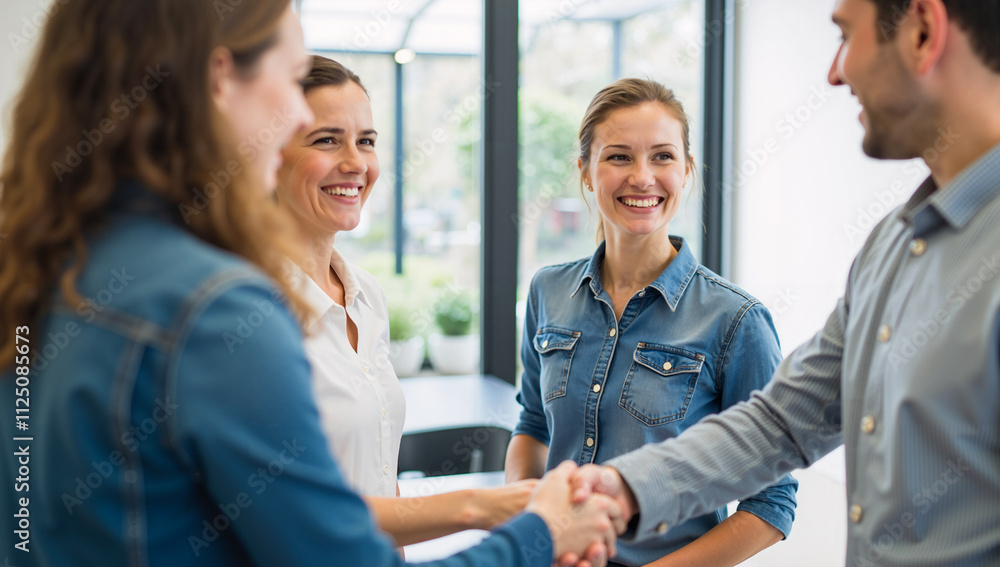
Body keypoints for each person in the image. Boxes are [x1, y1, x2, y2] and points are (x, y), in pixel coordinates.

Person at [0, 2, 620, 566]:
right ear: (219, 76)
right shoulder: (217, 310)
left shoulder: (48, 266)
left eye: (365, 139)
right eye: (287, 78)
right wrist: (539, 533)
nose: (295, 111)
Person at [569, 1, 1000, 565]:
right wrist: (620, 489)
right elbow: (783, 421)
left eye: (846, 36)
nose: (835, 72)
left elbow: (771, 498)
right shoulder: (891, 247)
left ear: (922, 30)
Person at [505, 78, 798, 567]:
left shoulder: (736, 321)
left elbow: (771, 502)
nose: (642, 177)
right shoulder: (547, 292)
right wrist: (527, 528)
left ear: (686, 171)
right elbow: (533, 424)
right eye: (619, 156)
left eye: (662, 157)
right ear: (585, 170)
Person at [276, 55, 536, 546]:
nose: (356, 163)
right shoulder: (251, 312)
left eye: (366, 141)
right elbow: (295, 510)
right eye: (327, 139)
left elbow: (379, 479)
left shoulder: (366, 296)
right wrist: (484, 507)